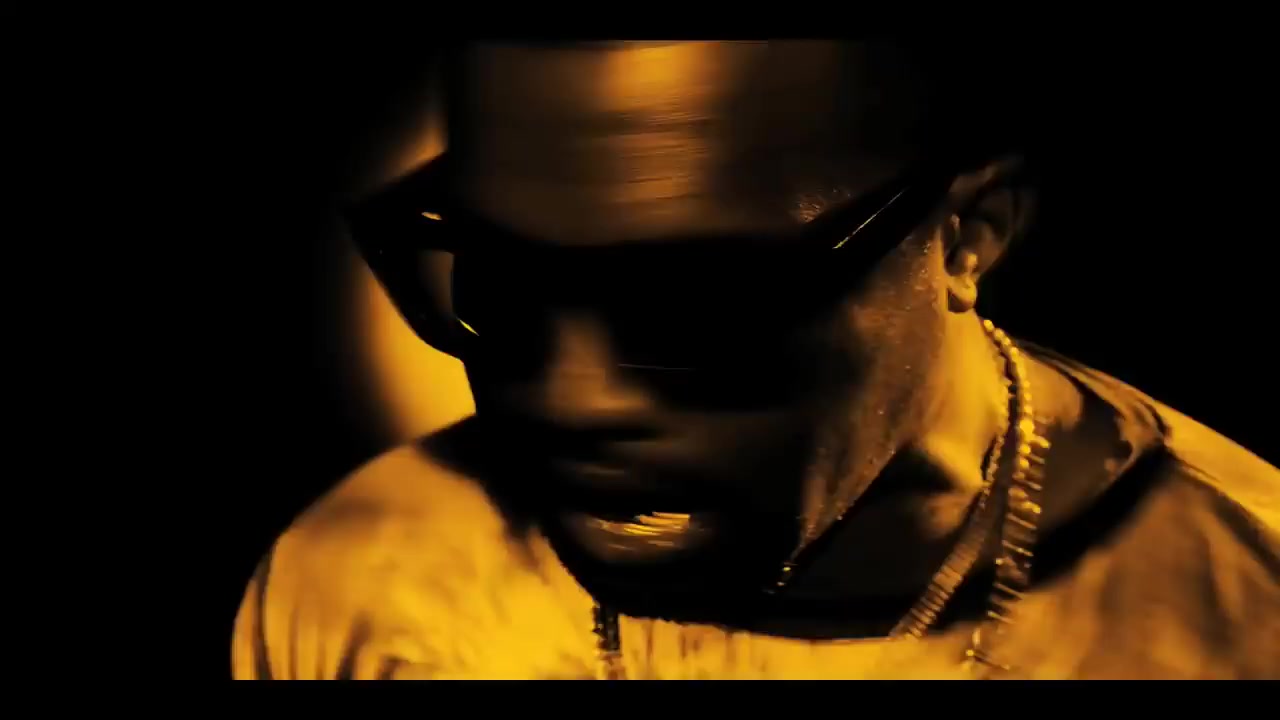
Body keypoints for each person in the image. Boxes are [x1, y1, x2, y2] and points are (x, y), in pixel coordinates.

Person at [231, 41, 1280, 680]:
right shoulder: (360, 585)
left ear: (966, 237)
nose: (570, 399)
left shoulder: (1242, 608)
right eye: (499, 284)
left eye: (696, 301)